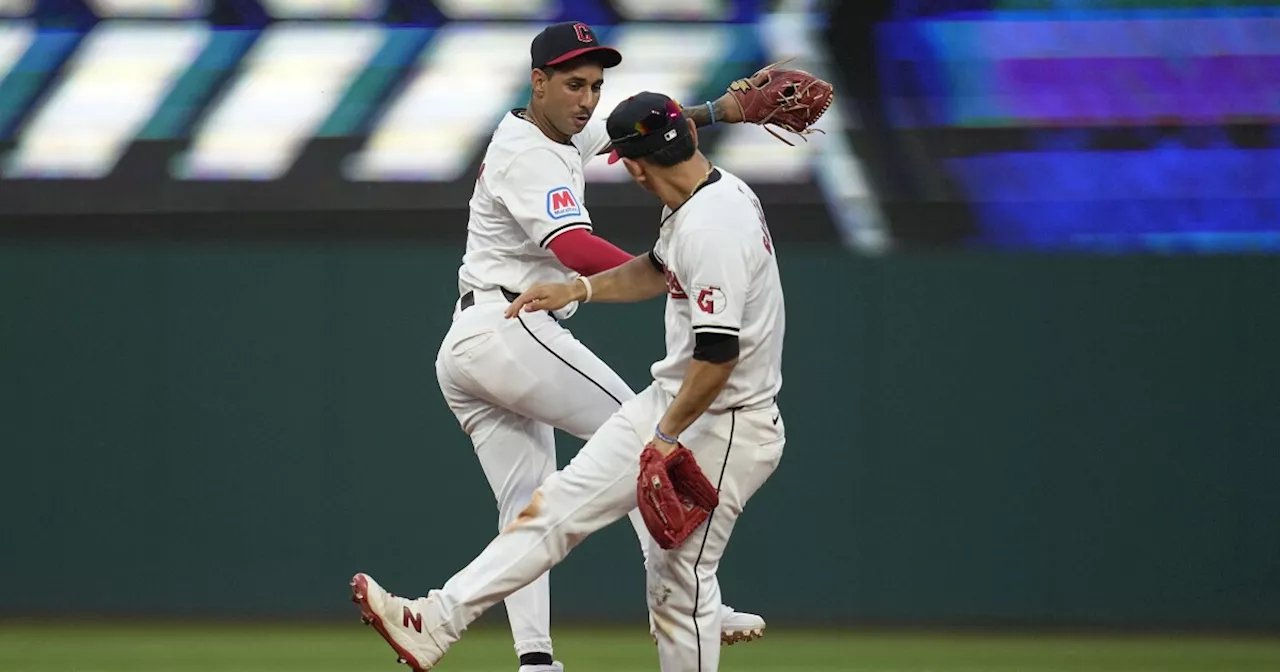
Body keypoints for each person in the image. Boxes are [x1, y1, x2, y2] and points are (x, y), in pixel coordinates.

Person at [352, 90, 787, 672]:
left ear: (634, 167)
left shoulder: (713, 225)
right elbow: (654, 270)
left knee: (678, 585)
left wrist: (664, 437)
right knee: (556, 507)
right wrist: (578, 288)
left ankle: (699, 606)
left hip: (726, 424)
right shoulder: (704, 197)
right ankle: (436, 619)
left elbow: (717, 356)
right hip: (678, 403)